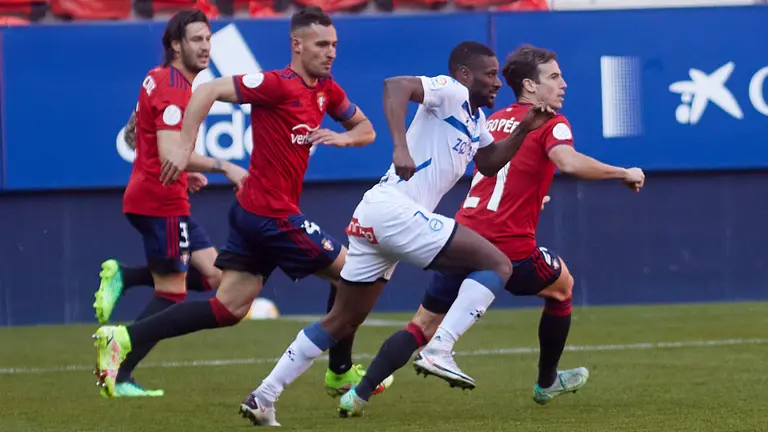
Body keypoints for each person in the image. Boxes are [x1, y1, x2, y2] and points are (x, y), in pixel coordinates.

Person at [238, 41, 556, 426]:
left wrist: (524, 129)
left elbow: (489, 163)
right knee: (498, 264)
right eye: (489, 75)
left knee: (342, 320)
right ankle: (439, 348)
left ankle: (264, 396)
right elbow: (395, 85)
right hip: (395, 211)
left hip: (375, 214)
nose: (497, 83)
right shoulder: (450, 90)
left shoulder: (476, 121)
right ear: (465, 75)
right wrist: (400, 147)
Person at [91, 7, 392, 403]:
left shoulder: (327, 89)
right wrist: (183, 148)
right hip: (271, 215)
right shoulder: (275, 84)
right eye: (322, 44)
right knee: (353, 274)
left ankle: (125, 337)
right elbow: (207, 91)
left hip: (255, 213)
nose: (331, 52)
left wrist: (342, 138)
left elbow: (366, 129)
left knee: (228, 308)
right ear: (297, 45)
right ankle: (339, 372)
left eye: (334, 44)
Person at [339, 44, 646, 417]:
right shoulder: (551, 121)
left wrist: (530, 200)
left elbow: (498, 174)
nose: (563, 84)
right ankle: (546, 382)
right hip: (507, 244)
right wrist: (623, 172)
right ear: (530, 86)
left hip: (464, 233)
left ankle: (357, 395)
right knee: (562, 286)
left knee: (422, 324)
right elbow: (567, 162)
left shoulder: (494, 119)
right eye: (554, 77)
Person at [91, 9, 249, 398]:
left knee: (215, 276)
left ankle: (127, 277)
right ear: (176, 45)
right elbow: (168, 152)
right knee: (172, 292)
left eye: (208, 39)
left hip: (161, 193)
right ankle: (120, 372)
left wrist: (183, 172)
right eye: (196, 39)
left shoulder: (159, 77)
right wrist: (223, 165)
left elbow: (137, 133)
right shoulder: (176, 88)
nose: (206, 46)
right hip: (160, 201)